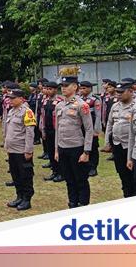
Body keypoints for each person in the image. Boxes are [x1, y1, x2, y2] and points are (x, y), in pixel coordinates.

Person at [55, 76, 94, 208]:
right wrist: (56, 149)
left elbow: (89, 129)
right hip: (63, 147)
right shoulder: (59, 105)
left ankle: (83, 203)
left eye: (66, 85)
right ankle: (72, 202)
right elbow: (57, 129)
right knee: (69, 179)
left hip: (77, 147)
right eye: (62, 86)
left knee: (80, 179)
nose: (63, 88)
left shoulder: (82, 105)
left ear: (75, 87)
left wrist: (86, 151)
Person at [4, 89, 36, 211]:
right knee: (15, 174)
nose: (10, 100)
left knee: (25, 176)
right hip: (12, 150)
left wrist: (28, 150)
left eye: (13, 98)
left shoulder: (27, 112)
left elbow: (29, 133)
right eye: (10, 98)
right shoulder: (11, 111)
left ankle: (27, 199)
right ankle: (19, 196)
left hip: (22, 150)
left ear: (21, 99)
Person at [104, 83, 136, 198]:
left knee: (135, 175)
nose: (118, 94)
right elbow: (110, 123)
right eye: (117, 92)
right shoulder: (115, 106)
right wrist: (107, 142)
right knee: (123, 173)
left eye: (121, 92)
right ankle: (127, 196)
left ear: (131, 91)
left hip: (132, 146)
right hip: (117, 145)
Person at [40, 82, 64, 182]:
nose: (48, 91)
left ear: (55, 90)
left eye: (50, 89)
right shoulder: (45, 101)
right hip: (48, 129)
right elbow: (43, 115)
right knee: (50, 151)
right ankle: (54, 171)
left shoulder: (60, 101)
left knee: (58, 152)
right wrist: (42, 129)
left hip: (57, 130)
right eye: (47, 89)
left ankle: (61, 173)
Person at [78, 81, 102, 177]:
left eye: (84, 88)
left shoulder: (94, 100)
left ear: (90, 89)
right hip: (81, 127)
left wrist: (96, 130)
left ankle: (93, 167)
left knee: (93, 147)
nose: (82, 90)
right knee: (83, 146)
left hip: (91, 128)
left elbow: (98, 115)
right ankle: (85, 165)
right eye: (81, 88)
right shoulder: (79, 99)